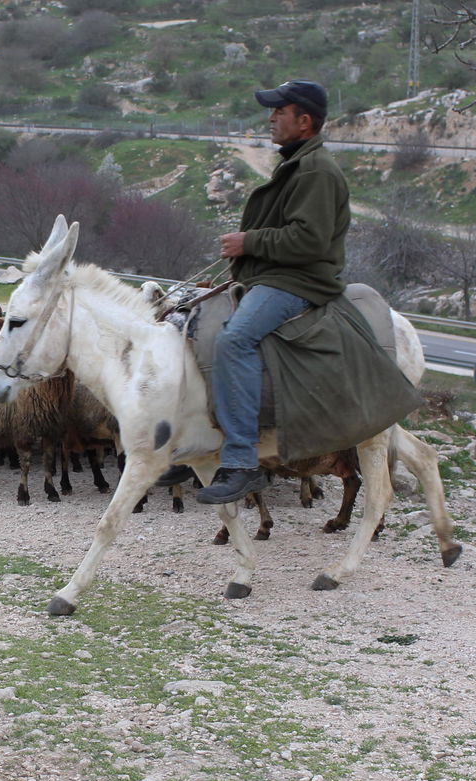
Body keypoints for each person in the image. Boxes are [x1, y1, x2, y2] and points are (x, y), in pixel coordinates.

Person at [160, 79, 350, 504]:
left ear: (304, 121)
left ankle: (242, 462)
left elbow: (311, 241)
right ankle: (194, 441)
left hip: (298, 281)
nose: (271, 118)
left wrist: (249, 243)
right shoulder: (299, 163)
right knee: (193, 325)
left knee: (235, 339)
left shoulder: (316, 170)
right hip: (274, 274)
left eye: (279, 111)